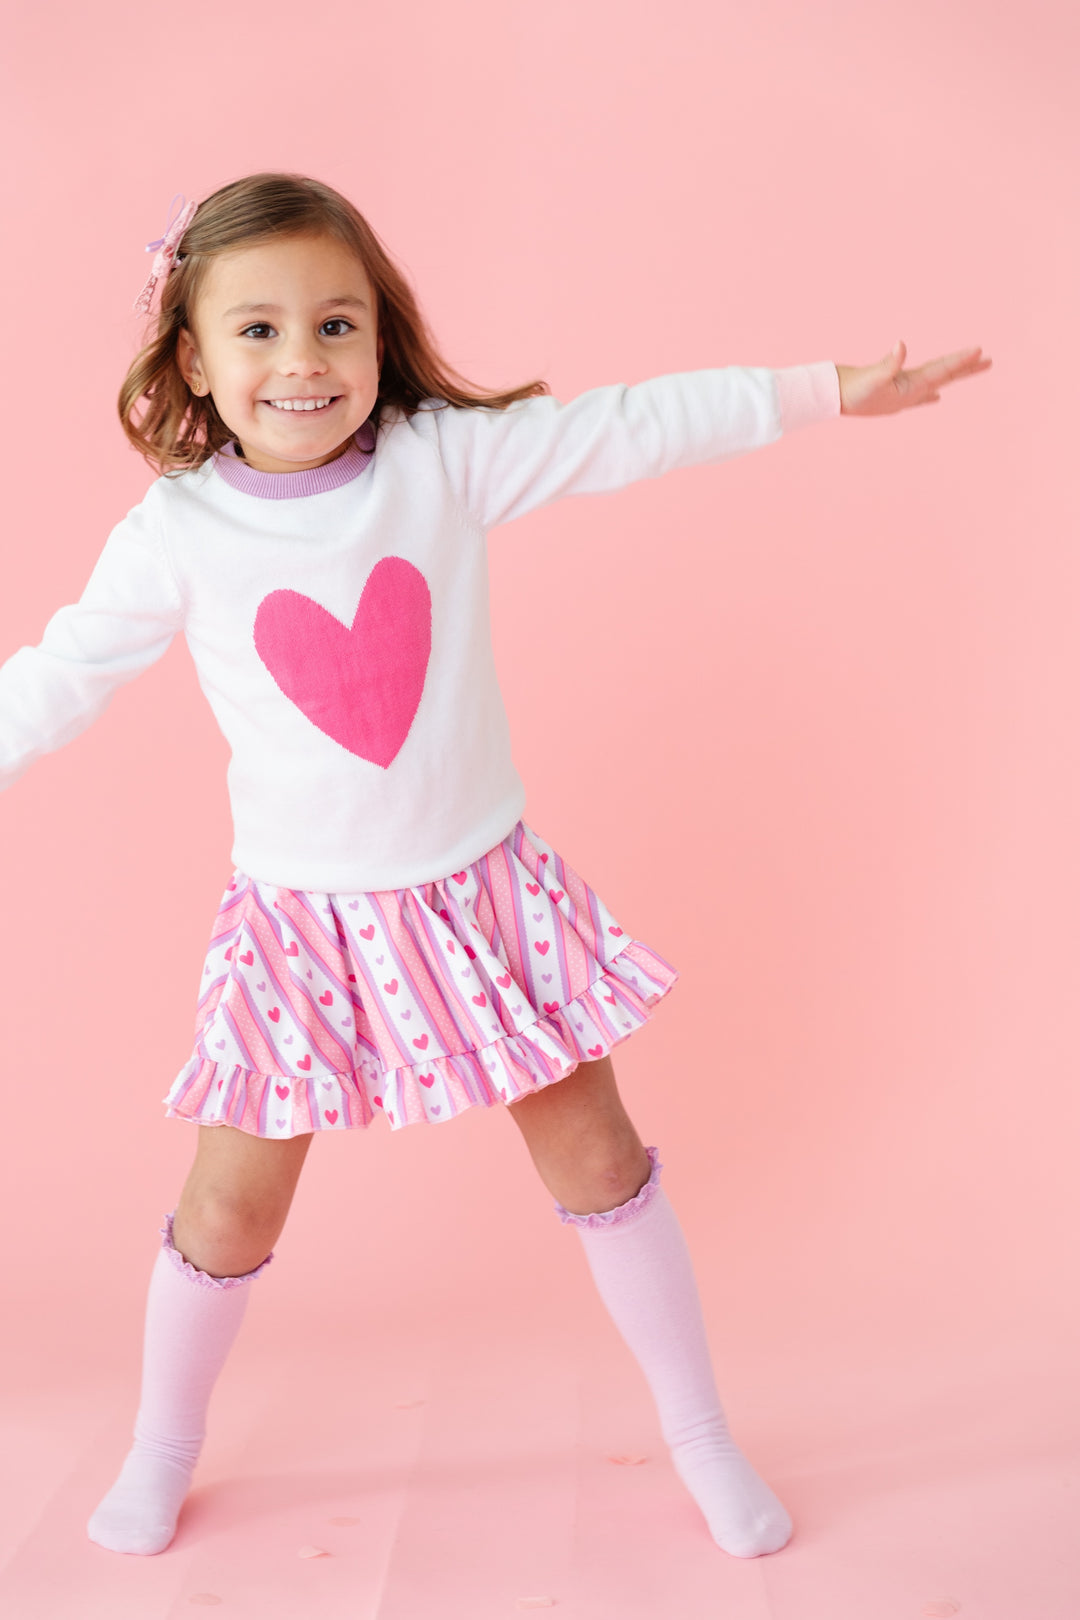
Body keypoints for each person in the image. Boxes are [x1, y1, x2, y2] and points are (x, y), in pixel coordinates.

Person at [0, 172, 990, 1561]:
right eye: (262, 332)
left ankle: (701, 1433)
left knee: (601, 1157)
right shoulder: (179, 532)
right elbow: (57, 676)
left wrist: (823, 388)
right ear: (195, 362)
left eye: (338, 325)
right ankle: (163, 1443)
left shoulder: (439, 459)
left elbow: (628, 427)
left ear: (383, 338)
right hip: (303, 929)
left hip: (481, 900)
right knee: (227, 1202)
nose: (304, 362)